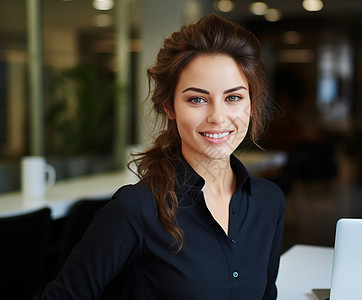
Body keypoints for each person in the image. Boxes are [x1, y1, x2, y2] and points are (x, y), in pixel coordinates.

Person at [43, 13, 285, 300]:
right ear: (169, 107)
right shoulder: (137, 209)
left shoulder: (269, 202)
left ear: (252, 104)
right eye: (197, 99)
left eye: (233, 97)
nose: (218, 117)